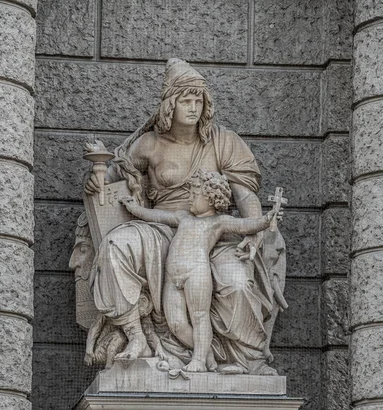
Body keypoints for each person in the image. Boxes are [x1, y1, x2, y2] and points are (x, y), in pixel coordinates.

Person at [85, 58, 281, 375]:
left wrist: (253, 235)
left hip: (213, 235)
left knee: (238, 283)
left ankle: (249, 359)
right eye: (185, 101)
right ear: (169, 105)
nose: (193, 108)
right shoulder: (148, 144)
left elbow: (245, 195)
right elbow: (112, 177)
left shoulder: (224, 141)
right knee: (115, 246)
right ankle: (137, 337)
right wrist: (97, 178)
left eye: (198, 100)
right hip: (159, 228)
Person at [119, 170, 278, 372]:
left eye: (195, 194)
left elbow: (247, 224)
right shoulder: (183, 216)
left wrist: (267, 219)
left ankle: (199, 360)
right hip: (172, 275)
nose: (190, 198)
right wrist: (134, 208)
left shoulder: (219, 222)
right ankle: (207, 354)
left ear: (211, 199)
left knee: (199, 316)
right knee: (176, 324)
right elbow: (156, 215)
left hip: (196, 273)